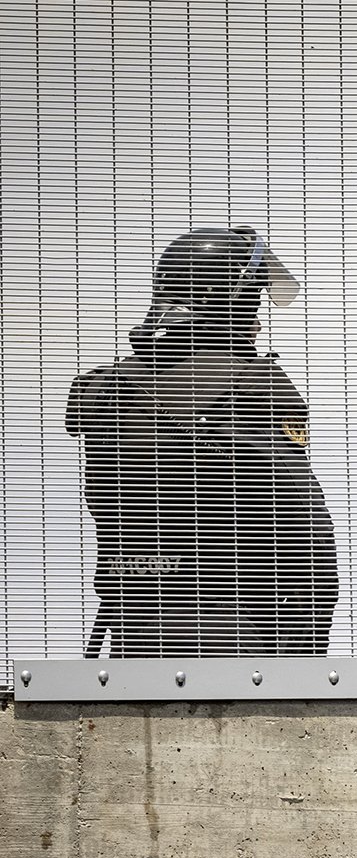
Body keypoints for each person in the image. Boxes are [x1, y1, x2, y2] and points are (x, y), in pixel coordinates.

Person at [66, 226, 338, 657]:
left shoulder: (106, 390)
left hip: (134, 633)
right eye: (253, 301)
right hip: (235, 634)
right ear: (232, 301)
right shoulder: (251, 386)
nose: (258, 318)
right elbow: (310, 541)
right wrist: (308, 650)